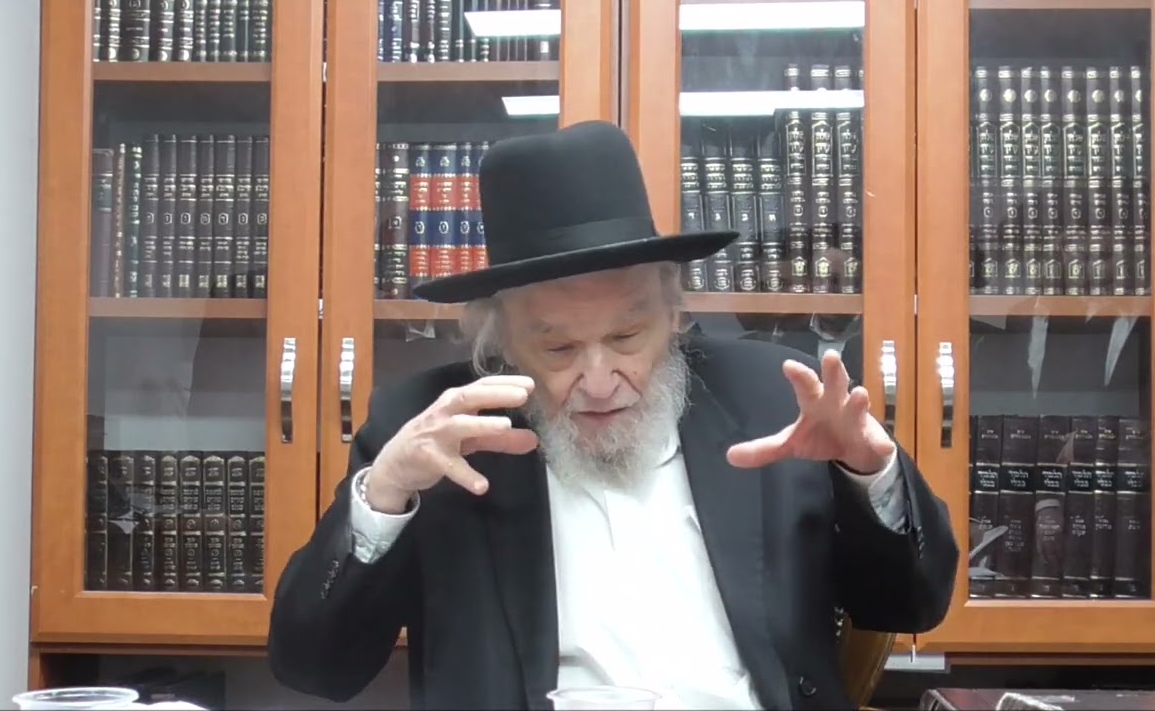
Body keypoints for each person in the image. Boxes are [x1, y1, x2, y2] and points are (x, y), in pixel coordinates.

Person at [267, 121, 959, 711]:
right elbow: (316, 669)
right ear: (500, 343)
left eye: (627, 337)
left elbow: (910, 606)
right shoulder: (433, 433)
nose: (599, 382)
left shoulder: (772, 399)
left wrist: (870, 475)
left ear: (672, 312)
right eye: (558, 348)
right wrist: (383, 496)